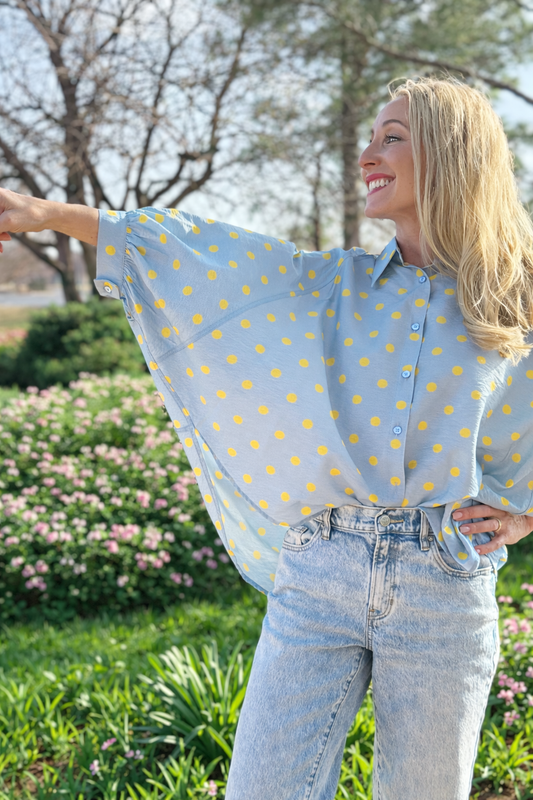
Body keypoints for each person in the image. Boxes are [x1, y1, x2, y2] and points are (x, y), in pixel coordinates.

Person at [1, 75, 533, 799]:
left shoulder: (514, 290)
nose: (365, 154)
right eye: (370, 136)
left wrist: (525, 510)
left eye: (391, 137)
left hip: (445, 577)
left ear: (449, 152)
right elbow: (207, 256)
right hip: (321, 568)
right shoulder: (327, 283)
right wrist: (49, 214)